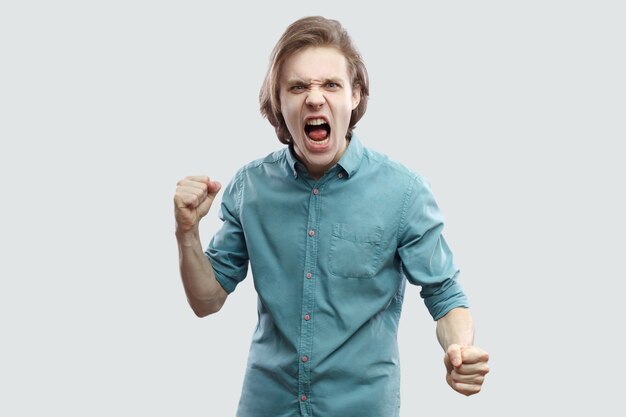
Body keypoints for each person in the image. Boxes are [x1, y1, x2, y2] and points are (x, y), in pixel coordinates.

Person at [174, 15, 489, 417]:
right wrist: (187, 233)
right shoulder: (249, 188)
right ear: (279, 101)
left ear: (355, 95)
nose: (314, 98)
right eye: (298, 86)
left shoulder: (403, 191)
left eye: (330, 84)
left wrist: (459, 349)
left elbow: (445, 296)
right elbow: (207, 301)